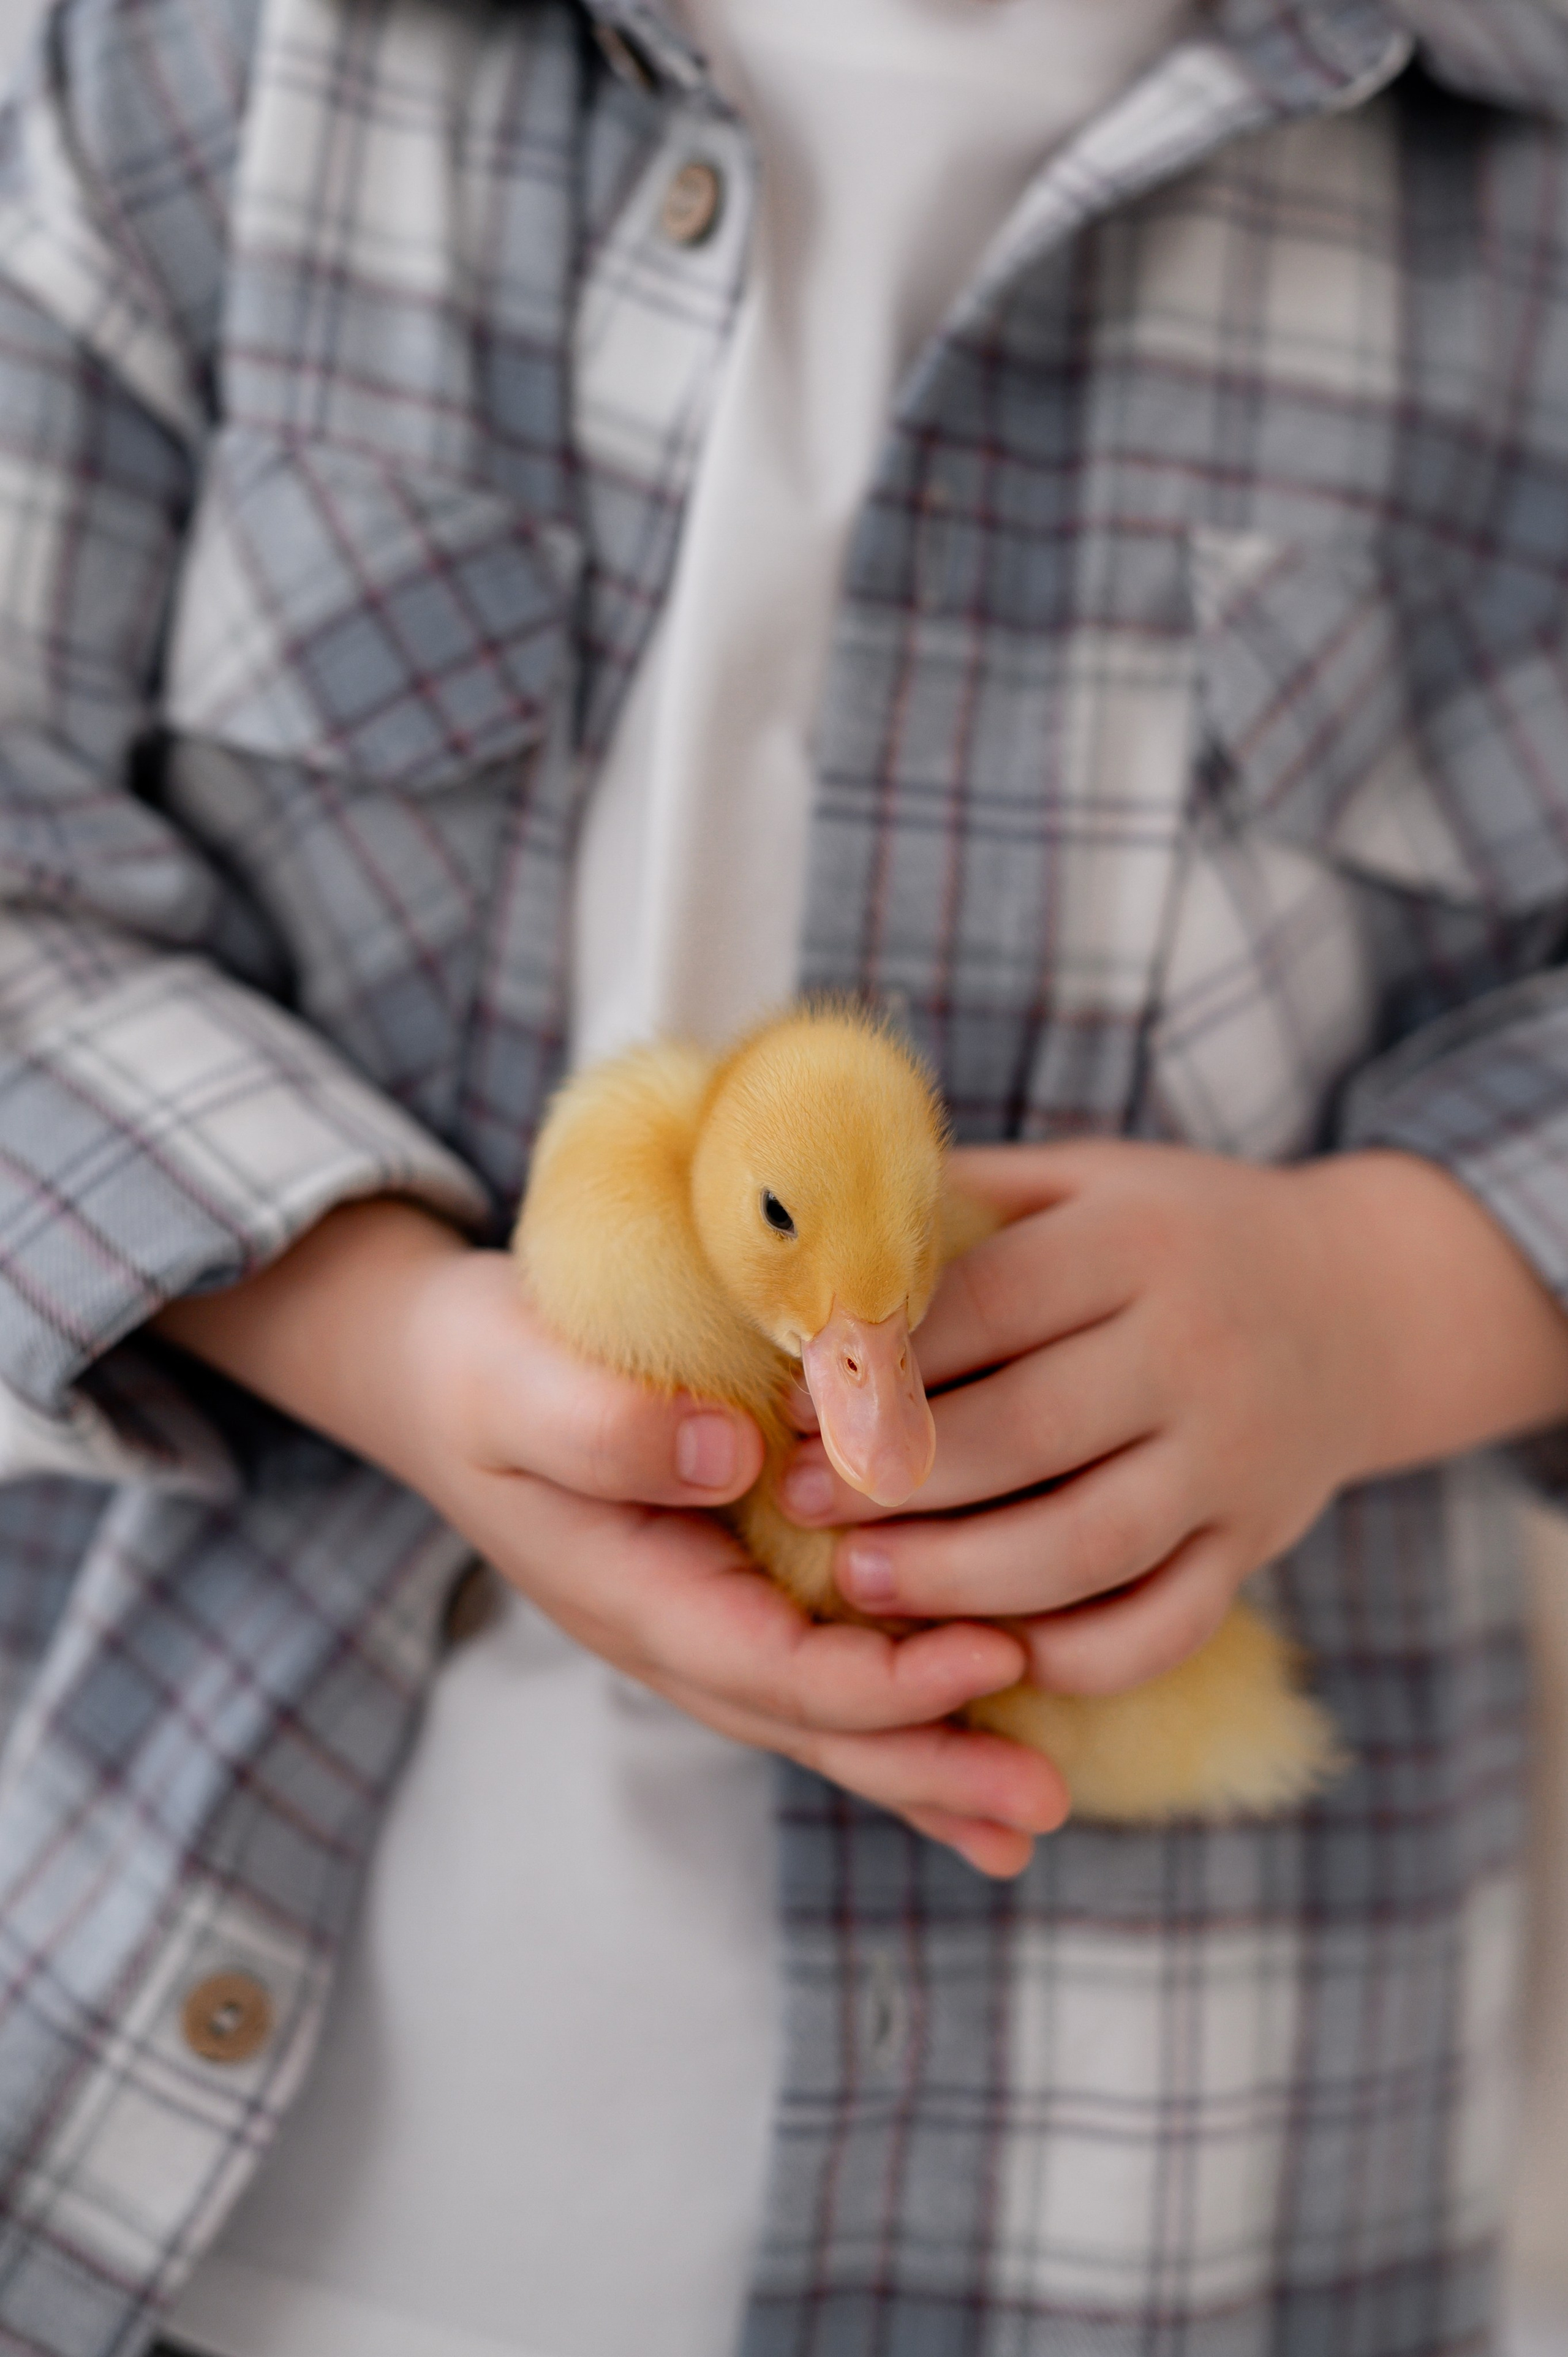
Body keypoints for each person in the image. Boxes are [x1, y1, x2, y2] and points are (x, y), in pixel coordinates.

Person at [4, 0, 1568, 2350]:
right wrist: (389, 1339)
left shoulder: (1526, 195)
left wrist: (1378, 1298)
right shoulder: (194, 62)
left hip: (1173, 2214)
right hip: (151, 2120)